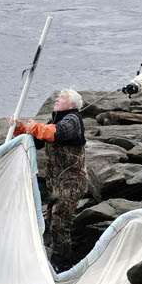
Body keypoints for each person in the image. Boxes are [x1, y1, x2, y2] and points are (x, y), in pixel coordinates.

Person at [11, 89, 87, 267]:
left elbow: (56, 133)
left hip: (72, 182)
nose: (57, 99)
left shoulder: (73, 120)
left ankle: (64, 264)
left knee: (59, 223)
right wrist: (20, 128)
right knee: (52, 221)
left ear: (71, 105)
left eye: (61, 98)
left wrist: (35, 127)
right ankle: (56, 257)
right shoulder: (54, 119)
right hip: (57, 183)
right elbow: (38, 140)